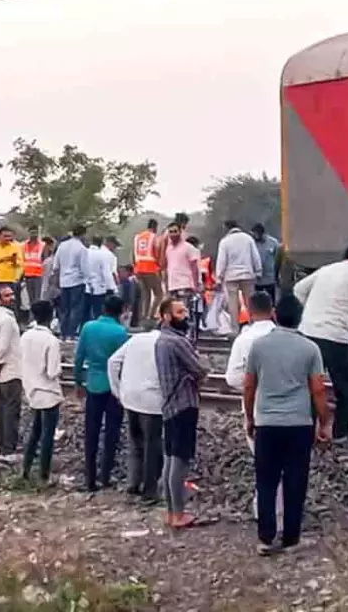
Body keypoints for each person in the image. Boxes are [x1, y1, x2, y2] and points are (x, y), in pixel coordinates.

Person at [243, 295, 331, 555]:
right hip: (299, 424)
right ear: (300, 318)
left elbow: (249, 386)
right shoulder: (310, 348)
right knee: (295, 481)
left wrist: (250, 417)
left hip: (267, 423)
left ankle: (266, 538)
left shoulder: (258, 346)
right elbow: (318, 390)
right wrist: (323, 421)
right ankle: (291, 538)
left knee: (266, 480)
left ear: (274, 315)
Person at [293, 240, 348, 441]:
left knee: (309, 386)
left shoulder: (325, 270)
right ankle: (340, 433)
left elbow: (298, 289)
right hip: (337, 337)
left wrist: (310, 311)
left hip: (309, 333)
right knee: (346, 389)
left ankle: (307, 433)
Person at [225, 291, 278, 519]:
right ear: (272, 310)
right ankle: (284, 509)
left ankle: (266, 509)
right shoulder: (286, 336)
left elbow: (232, 378)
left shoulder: (244, 339)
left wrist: (252, 385)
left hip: (256, 407)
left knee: (264, 461)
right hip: (290, 409)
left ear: (249, 310)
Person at [156, 298, 208, 528]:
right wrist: (203, 364)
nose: (185, 315)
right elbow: (199, 368)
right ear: (167, 316)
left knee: (169, 458)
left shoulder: (161, 340)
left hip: (168, 406)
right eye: (179, 312)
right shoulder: (177, 342)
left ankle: (170, 512)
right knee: (180, 460)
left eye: (185, 310)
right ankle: (179, 514)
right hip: (184, 405)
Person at [74, 294, 130, 491]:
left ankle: (89, 477)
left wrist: (78, 381)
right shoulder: (120, 333)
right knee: (112, 433)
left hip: (93, 384)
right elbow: (123, 364)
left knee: (91, 431)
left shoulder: (88, 328)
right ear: (121, 311)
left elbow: (79, 357)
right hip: (114, 388)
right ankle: (105, 475)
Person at [108, 322, 164, 503]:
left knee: (135, 442)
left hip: (130, 398)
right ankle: (150, 490)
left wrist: (118, 390)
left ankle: (133, 483)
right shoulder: (165, 342)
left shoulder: (136, 339)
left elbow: (113, 362)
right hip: (152, 401)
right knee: (152, 444)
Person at [20, 300, 62, 485]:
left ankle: (26, 470)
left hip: (31, 390)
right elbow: (52, 372)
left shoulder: (25, 337)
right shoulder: (51, 341)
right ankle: (44, 475)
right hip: (49, 392)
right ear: (51, 316)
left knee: (34, 432)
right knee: (47, 435)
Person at [0, 284, 24, 462]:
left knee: (2, 411)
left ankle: (2, 447)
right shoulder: (7, 320)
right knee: (11, 411)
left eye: (12, 294)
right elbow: (2, 349)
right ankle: (8, 449)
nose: (12, 298)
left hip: (2, 372)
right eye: (7, 296)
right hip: (9, 371)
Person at [214, 221, 262, 334]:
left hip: (231, 277)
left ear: (227, 228)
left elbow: (221, 261)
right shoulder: (248, 239)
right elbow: (255, 256)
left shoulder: (225, 241)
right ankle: (252, 326)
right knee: (249, 302)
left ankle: (234, 329)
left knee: (233, 304)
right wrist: (258, 271)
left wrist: (219, 278)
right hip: (247, 275)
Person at [55, 225, 90, 340]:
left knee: (64, 309)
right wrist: (88, 281)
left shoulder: (62, 245)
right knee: (75, 309)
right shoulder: (82, 248)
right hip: (77, 281)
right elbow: (84, 268)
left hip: (63, 281)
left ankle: (63, 333)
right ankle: (71, 333)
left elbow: (56, 265)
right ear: (83, 234)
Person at [131, 219, 164, 330]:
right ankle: (151, 315)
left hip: (138, 269)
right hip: (150, 268)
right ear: (155, 227)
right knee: (159, 293)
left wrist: (134, 268)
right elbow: (157, 252)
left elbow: (133, 254)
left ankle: (143, 316)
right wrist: (160, 267)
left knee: (146, 294)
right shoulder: (154, 237)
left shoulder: (138, 237)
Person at [160, 222, 201, 311]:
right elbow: (164, 266)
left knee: (183, 312)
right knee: (174, 314)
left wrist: (195, 284)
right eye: (170, 232)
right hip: (172, 286)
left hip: (185, 285)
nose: (173, 234)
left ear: (180, 232)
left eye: (175, 231)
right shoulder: (168, 249)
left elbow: (194, 267)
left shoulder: (188, 248)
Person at [0, 226, 24, 314]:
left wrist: (13, 261)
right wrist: (1, 259)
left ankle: (13, 324)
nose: (8, 239)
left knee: (12, 305)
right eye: (5, 236)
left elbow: (20, 263)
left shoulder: (15, 247)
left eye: (9, 236)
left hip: (10, 280)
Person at [84, 236, 119, 324]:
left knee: (84, 313)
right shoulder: (102, 255)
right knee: (98, 313)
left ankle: (82, 331)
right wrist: (113, 288)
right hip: (99, 289)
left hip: (84, 287)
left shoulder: (84, 252)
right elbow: (107, 273)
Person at [250, 224, 281, 303]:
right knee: (258, 303)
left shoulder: (273, 243)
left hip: (269, 278)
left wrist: (277, 275)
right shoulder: (251, 243)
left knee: (271, 301)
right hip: (256, 279)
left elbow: (278, 258)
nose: (254, 236)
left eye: (255, 234)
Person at [21, 226, 46, 307]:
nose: (34, 235)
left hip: (38, 275)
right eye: (32, 233)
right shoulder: (23, 245)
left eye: (35, 233)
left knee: (37, 298)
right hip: (27, 275)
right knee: (30, 298)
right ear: (28, 233)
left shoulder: (42, 245)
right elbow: (22, 260)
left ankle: (36, 316)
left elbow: (44, 259)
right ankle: (32, 316)